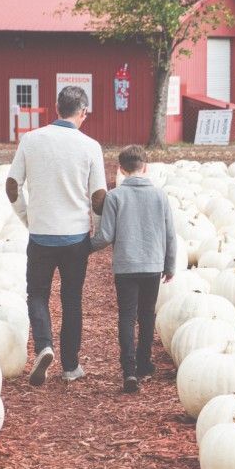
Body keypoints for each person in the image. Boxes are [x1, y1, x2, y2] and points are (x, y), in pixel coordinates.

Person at [6, 85, 107, 385]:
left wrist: (28, 218)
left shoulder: (31, 140)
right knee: (72, 299)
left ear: (55, 107)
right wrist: (97, 234)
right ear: (83, 112)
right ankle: (71, 366)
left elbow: (12, 185)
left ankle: (43, 346)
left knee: (37, 294)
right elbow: (99, 195)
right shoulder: (90, 146)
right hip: (75, 237)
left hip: (41, 235)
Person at [90, 144, 176, 393]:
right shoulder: (160, 196)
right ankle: (143, 364)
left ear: (121, 169)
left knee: (127, 316)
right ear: (146, 167)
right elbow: (170, 234)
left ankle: (128, 371)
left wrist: (84, 247)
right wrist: (169, 264)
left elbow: (105, 235)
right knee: (147, 314)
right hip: (152, 265)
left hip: (126, 267)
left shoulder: (115, 196)